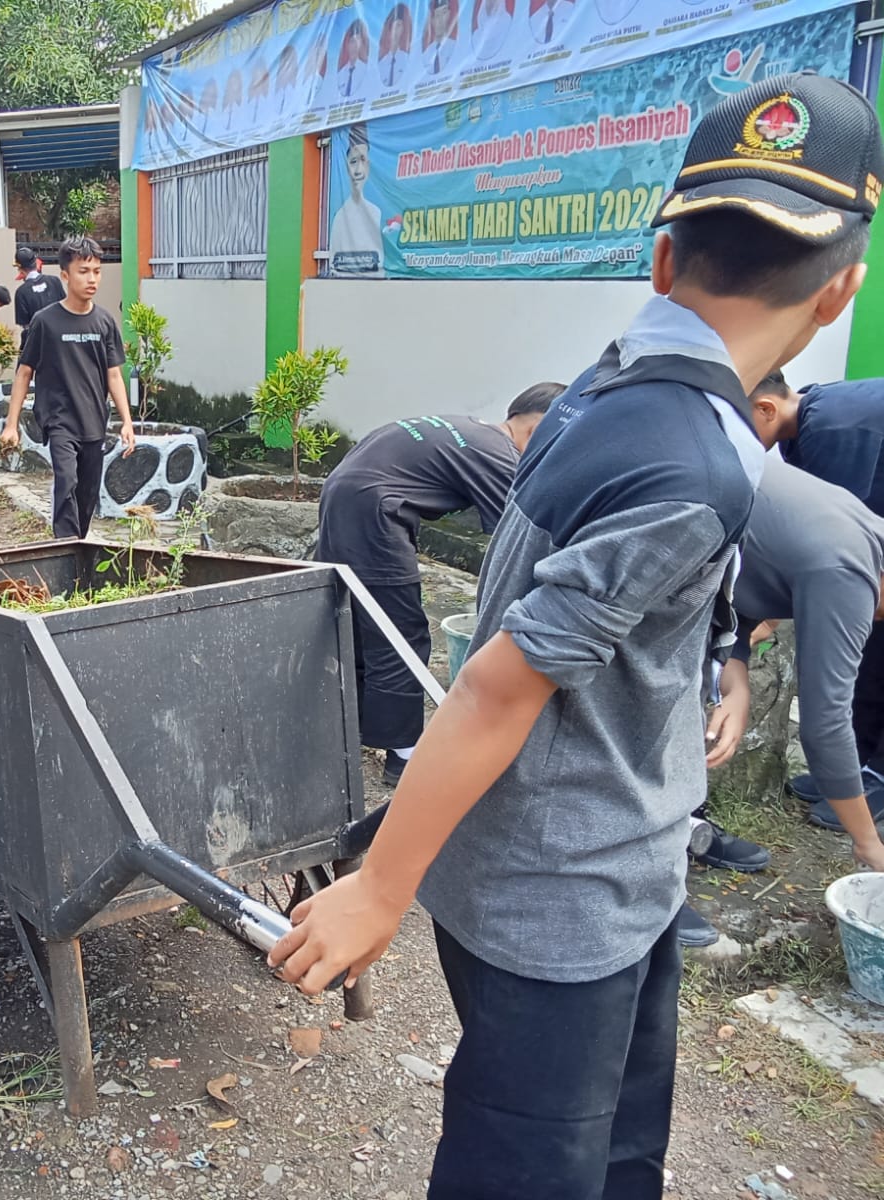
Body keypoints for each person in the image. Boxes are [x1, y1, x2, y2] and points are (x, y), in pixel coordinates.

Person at [269, 73, 881, 1198]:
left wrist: (727, 658)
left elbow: (658, 582)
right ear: (838, 293)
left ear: (659, 265)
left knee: (618, 1152)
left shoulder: (610, 393)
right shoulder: (690, 459)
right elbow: (499, 688)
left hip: (621, 867)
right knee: (532, 1168)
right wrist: (379, 886)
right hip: (554, 895)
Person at [677, 454, 884, 946]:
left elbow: (745, 575)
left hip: (687, 550)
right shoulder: (848, 573)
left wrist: (738, 681)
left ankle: (682, 829)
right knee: (644, 722)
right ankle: (645, 892)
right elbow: (825, 723)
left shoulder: (867, 531)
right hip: (645, 556)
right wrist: (868, 842)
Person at [317, 383, 562, 784]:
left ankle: (348, 727)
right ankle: (405, 755)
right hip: (374, 512)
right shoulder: (500, 455)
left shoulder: (469, 429)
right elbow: (523, 540)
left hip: (345, 495)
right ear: (538, 432)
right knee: (399, 633)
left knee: (357, 621)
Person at [739, 370, 884, 808]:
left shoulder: (831, 427)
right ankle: (852, 771)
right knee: (867, 644)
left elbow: (830, 545)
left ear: (765, 408)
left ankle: (877, 778)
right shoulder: (802, 431)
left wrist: (765, 618)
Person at [0, 236, 136, 539]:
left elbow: (113, 375)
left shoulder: (104, 322)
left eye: (97, 271)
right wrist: (12, 425)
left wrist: (126, 421)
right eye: (84, 271)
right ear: (65, 276)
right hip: (59, 419)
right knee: (66, 481)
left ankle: (79, 549)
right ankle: (64, 550)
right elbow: (24, 373)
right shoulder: (45, 322)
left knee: (87, 495)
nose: (92, 279)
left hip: (94, 422)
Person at [328, 125, 384, 276]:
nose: (358, 170)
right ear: (346, 167)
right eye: (353, 162)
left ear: (369, 166)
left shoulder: (376, 213)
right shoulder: (339, 219)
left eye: (363, 160)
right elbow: (334, 268)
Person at [12, 247, 65, 341]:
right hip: (61, 337)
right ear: (35, 263)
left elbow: (25, 325)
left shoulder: (21, 292)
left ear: (20, 269)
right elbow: (65, 307)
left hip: (38, 342)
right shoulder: (54, 281)